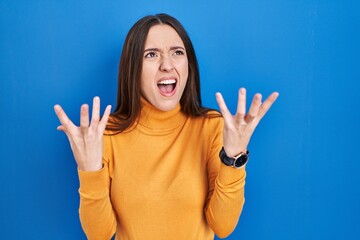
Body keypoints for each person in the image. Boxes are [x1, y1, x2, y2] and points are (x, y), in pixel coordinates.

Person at [54, 13, 278, 240]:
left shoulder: (211, 126)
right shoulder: (107, 133)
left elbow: (223, 226)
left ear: (188, 64)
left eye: (177, 53)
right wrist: (89, 169)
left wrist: (233, 158)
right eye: (151, 55)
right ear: (133, 68)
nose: (167, 65)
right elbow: (100, 234)